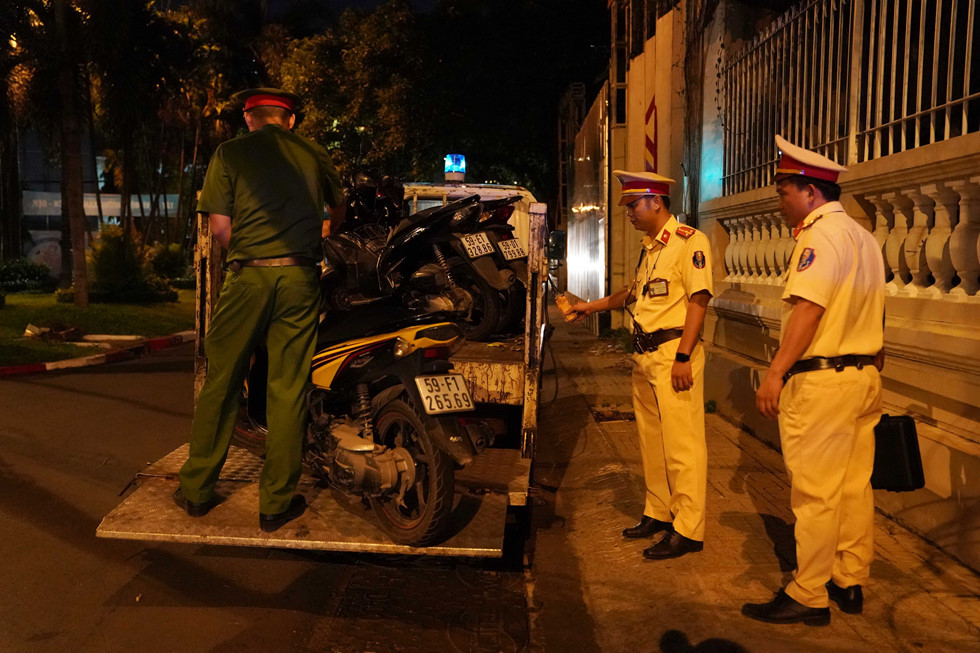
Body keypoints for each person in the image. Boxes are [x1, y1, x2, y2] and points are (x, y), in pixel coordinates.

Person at [174, 87, 345, 533]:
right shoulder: (313, 152)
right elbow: (337, 209)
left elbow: (220, 228)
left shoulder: (230, 154)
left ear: (250, 119)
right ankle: (275, 504)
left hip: (248, 276)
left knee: (223, 380)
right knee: (287, 387)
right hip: (300, 277)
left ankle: (196, 492)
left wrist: (250, 254)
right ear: (289, 120)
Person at [741, 135, 885, 626]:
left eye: (783, 192)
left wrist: (776, 372)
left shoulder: (818, 237)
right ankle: (849, 580)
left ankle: (808, 593)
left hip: (822, 382)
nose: (779, 202)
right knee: (853, 486)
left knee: (816, 491)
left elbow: (810, 308)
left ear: (810, 192)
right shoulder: (863, 238)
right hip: (864, 376)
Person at [570, 171, 713, 560]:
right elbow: (631, 294)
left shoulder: (690, 242)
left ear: (656, 202)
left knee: (683, 445)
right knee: (652, 443)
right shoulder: (650, 248)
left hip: (673, 354)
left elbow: (698, 303)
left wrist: (684, 356)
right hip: (645, 356)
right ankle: (659, 512)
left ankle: (689, 528)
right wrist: (589, 307)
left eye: (633, 205)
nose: (629, 213)